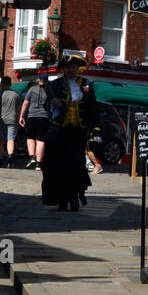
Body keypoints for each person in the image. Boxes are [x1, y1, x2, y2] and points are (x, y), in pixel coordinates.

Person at [40, 54, 97, 212]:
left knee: (75, 165)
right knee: (56, 166)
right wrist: (53, 102)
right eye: (68, 67)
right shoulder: (55, 85)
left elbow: (93, 108)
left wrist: (92, 129)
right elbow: (46, 105)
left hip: (78, 132)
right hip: (59, 130)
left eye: (74, 67)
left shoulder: (87, 85)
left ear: (78, 68)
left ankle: (74, 197)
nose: (71, 69)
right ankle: (61, 200)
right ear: (63, 69)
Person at [19, 76, 49, 169]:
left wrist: (21, 116)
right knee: (41, 140)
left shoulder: (32, 89)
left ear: (39, 79)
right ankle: (39, 163)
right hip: (44, 117)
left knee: (30, 137)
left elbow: (25, 103)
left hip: (32, 116)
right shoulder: (49, 90)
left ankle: (32, 157)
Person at [0, 77, 21, 167]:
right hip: (12, 120)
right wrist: (18, 120)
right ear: (10, 84)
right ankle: (10, 159)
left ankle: (0, 160)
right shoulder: (16, 94)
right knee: (11, 139)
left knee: (1, 141)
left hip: (1, 120)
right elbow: (18, 109)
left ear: (2, 83)